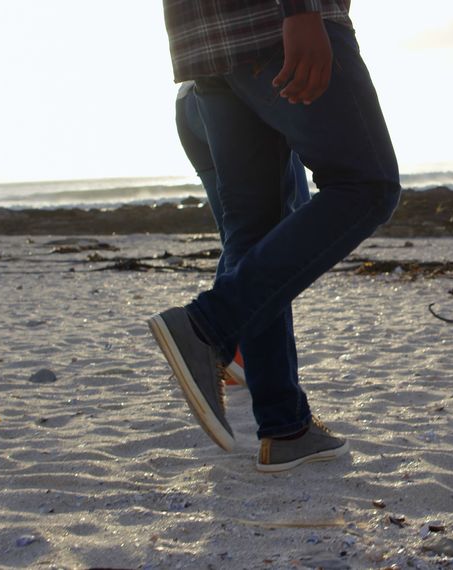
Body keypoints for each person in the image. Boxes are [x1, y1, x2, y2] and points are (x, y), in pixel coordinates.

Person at [148, 0, 400, 473]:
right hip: (273, 21)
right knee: (368, 186)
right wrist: (301, 10)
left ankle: (286, 428)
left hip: (204, 43)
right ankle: (208, 325)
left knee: (253, 228)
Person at [174, 80, 311, 387]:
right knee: (285, 227)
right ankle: (219, 339)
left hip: (189, 101)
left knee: (241, 234)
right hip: (241, 93)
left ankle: (224, 350)